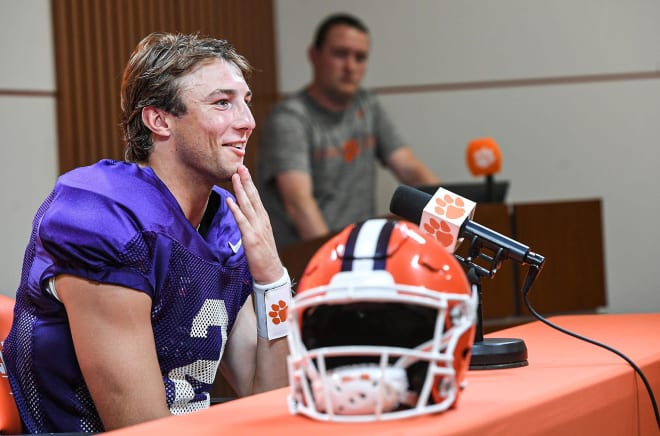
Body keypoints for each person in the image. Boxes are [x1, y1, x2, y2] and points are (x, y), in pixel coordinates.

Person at [2, 32, 290, 433]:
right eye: (223, 102)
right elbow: (141, 428)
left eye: (246, 102)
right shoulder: (103, 212)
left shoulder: (226, 220)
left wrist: (272, 279)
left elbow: (274, 403)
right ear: (158, 119)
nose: (247, 121)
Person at [257, 13, 440, 249]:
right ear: (314, 56)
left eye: (360, 57)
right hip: (305, 260)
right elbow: (299, 205)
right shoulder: (290, 118)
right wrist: (337, 262)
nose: (350, 66)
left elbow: (410, 169)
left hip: (361, 252)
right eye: (340, 54)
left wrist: (455, 214)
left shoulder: (368, 106)